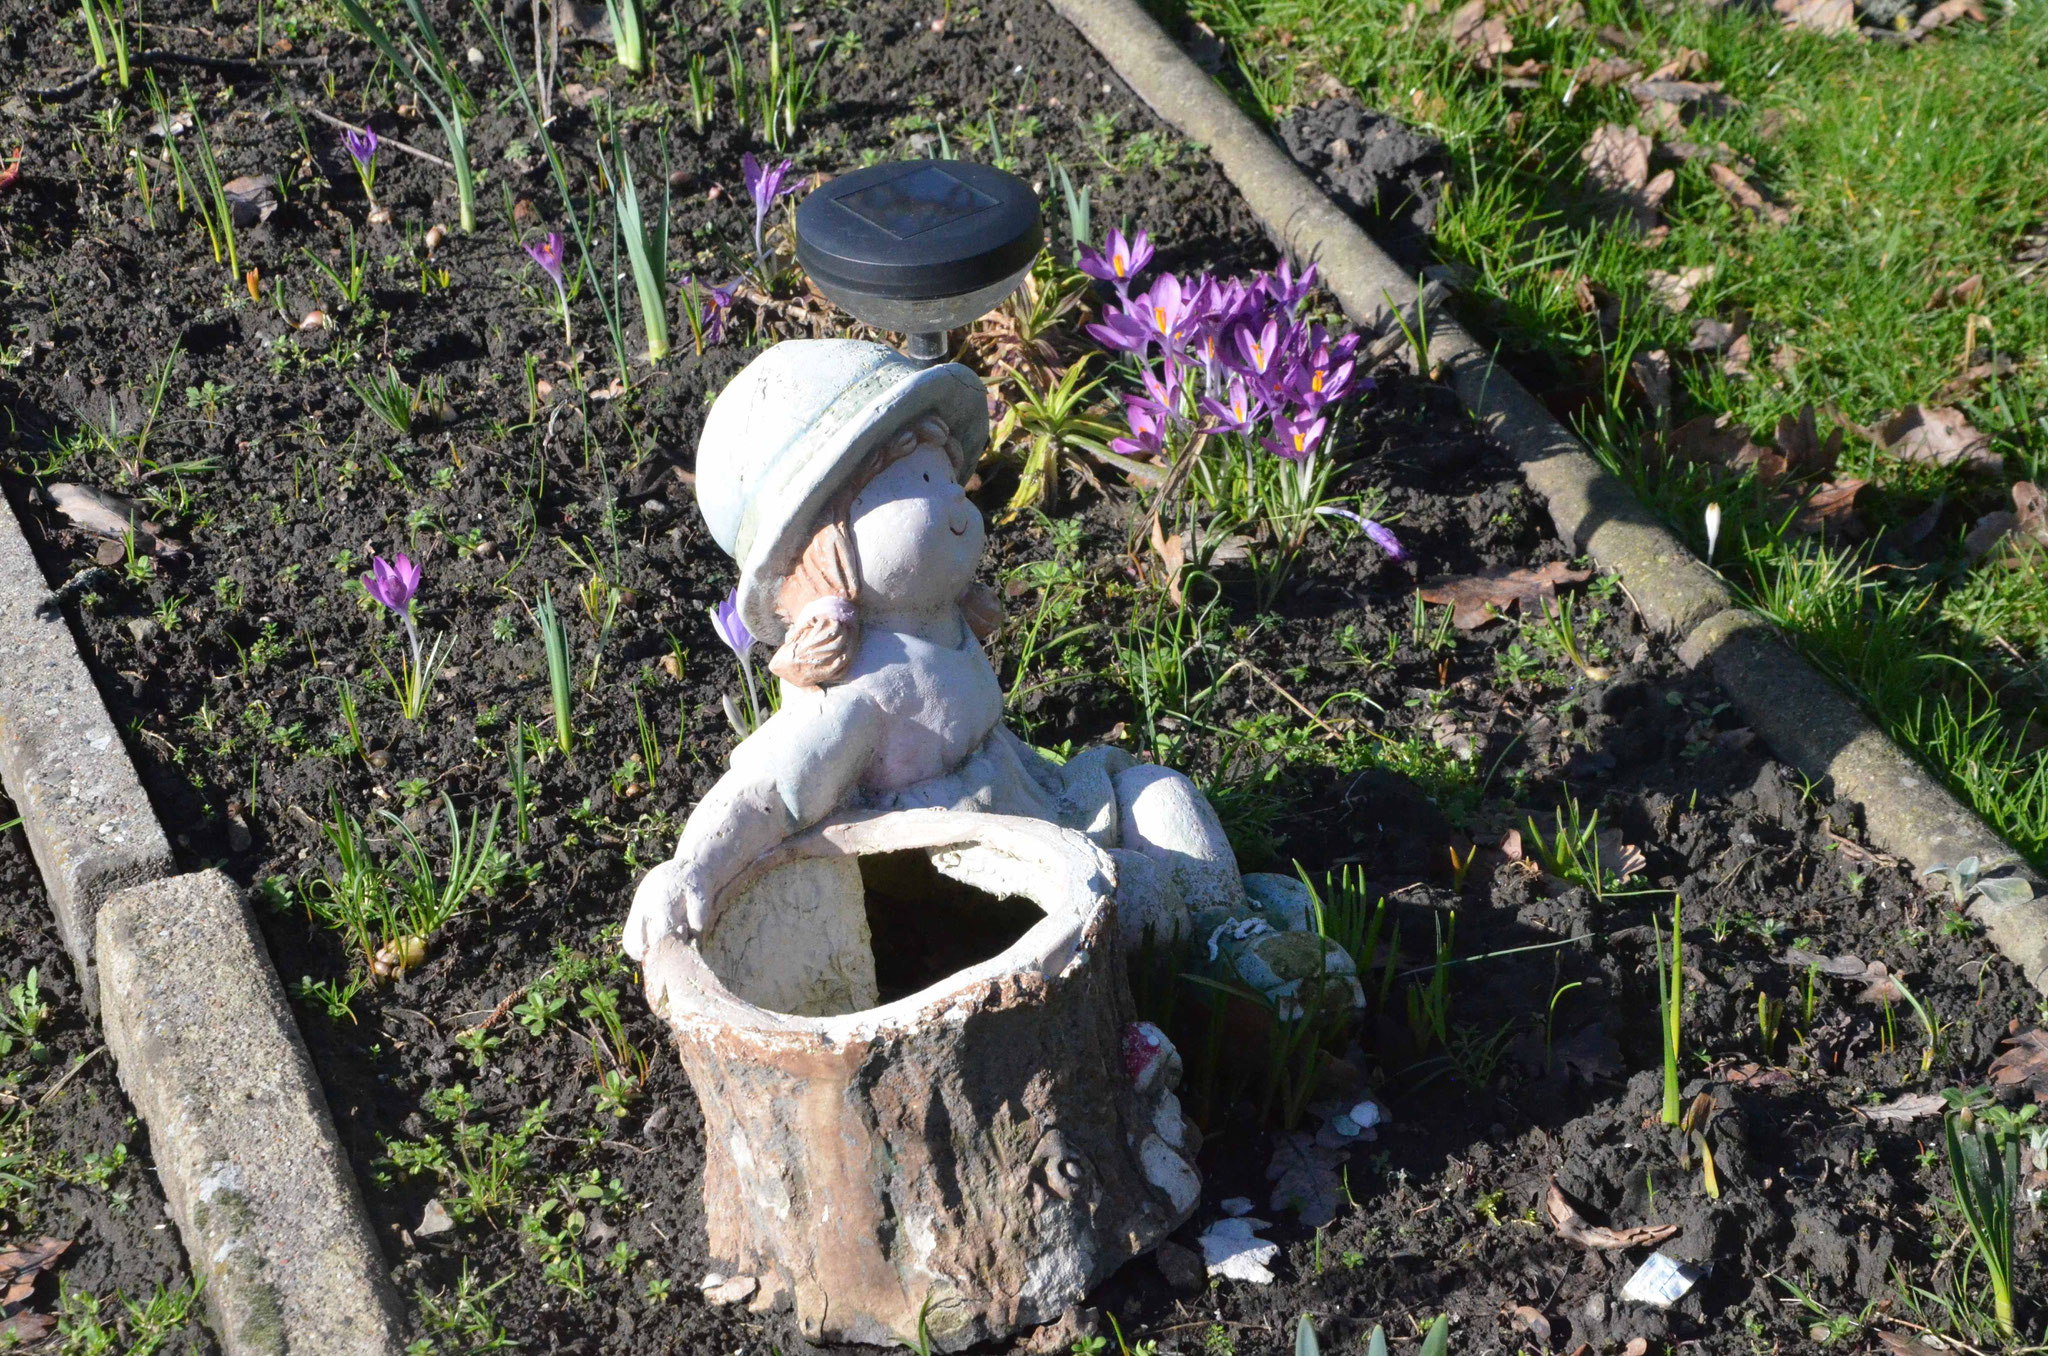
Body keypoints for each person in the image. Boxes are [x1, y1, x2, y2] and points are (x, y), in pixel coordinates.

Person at [623, 340, 1243, 963]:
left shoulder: (937, 623)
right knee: (1140, 897)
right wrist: (691, 868)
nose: (955, 502)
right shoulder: (857, 691)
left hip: (1035, 803)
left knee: (1162, 794)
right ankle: (1198, 985)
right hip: (974, 890)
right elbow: (771, 789)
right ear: (825, 544)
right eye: (919, 482)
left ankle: (1236, 931)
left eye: (947, 478)